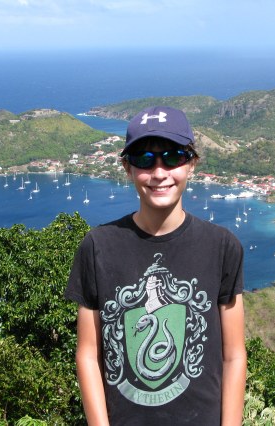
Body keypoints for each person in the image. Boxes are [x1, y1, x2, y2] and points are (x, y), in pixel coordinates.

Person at [65, 106, 246, 425]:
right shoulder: (97, 246)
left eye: (173, 157)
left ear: (191, 164)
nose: (159, 173)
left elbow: (233, 355)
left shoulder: (222, 247)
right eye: (144, 159)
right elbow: (88, 355)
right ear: (127, 167)